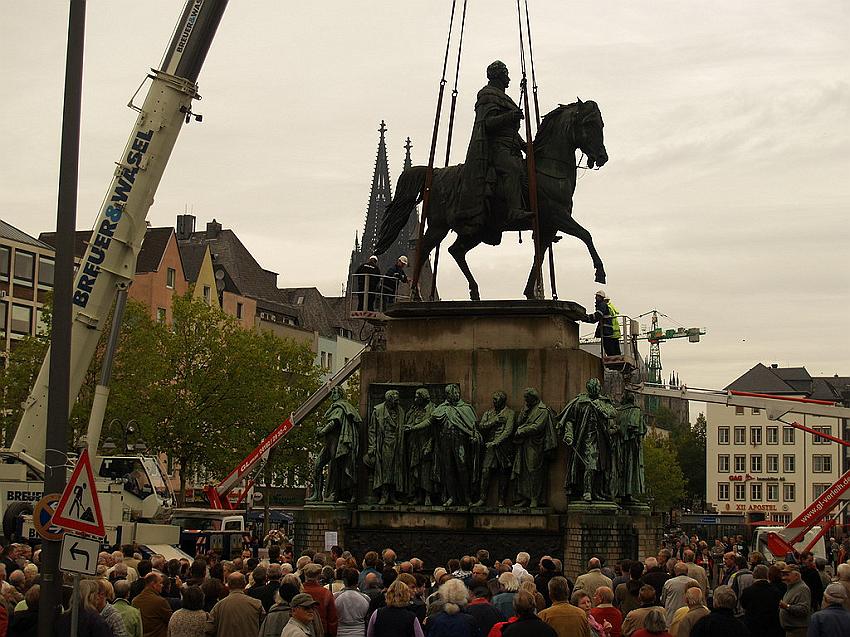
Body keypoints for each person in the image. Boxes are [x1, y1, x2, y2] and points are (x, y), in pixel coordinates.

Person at [456, 60, 532, 245]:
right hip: (496, 149)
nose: (509, 79)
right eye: (506, 74)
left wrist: (525, 146)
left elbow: (511, 132)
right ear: (498, 75)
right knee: (512, 168)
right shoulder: (487, 95)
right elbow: (487, 123)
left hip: (511, 146)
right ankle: (514, 210)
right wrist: (510, 116)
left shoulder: (504, 98)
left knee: (530, 172)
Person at [559, 378, 617, 502]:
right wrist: (569, 435)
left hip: (602, 439)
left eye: (597, 387)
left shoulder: (603, 402)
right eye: (595, 388)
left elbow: (613, 413)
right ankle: (587, 491)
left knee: (601, 466)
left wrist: (600, 407)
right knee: (590, 465)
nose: (597, 389)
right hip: (586, 439)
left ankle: (597, 491)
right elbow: (570, 420)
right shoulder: (580, 402)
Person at [430, 384, 480, 507]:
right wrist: (414, 427)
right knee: (448, 468)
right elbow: (430, 421)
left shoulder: (466, 408)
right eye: (446, 394)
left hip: (460, 441)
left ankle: (467, 497)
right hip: (445, 441)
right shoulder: (443, 408)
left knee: (462, 467)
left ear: (456, 393)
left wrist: (474, 437)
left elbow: (474, 428)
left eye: (449, 393)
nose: (447, 396)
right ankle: (452, 496)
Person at [309, 387, 361, 503]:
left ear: (340, 394)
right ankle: (317, 494)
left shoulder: (341, 406)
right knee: (317, 465)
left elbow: (334, 422)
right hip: (329, 443)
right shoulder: (334, 407)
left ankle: (334, 494)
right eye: (332, 393)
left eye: (335, 393)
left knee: (335, 469)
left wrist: (322, 431)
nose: (332, 395)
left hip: (337, 443)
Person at [511, 388, 558, 508]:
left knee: (534, 472)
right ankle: (525, 497)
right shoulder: (527, 408)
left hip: (535, 445)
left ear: (533, 398)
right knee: (523, 472)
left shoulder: (543, 410)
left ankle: (535, 498)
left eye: (527, 398)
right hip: (524, 445)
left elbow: (537, 427)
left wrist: (522, 430)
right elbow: (519, 422)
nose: (525, 400)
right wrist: (524, 412)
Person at [472, 391, 516, 507]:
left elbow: (508, 430)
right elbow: (481, 426)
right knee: (485, 471)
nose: (494, 402)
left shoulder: (510, 413)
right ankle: (482, 498)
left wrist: (496, 442)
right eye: (493, 399)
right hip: (490, 447)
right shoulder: (488, 413)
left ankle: (501, 499)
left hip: (503, 447)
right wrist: (494, 421)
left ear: (503, 400)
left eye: (496, 399)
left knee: (503, 472)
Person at [365, 389, 406, 505]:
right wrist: (371, 447)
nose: (397, 402)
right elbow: (372, 430)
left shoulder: (401, 411)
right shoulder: (378, 411)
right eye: (395, 400)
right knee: (385, 470)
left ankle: (393, 495)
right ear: (389, 399)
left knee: (396, 470)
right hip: (384, 444)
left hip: (398, 444)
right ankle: (384, 494)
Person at [404, 388, 438, 506]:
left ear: (423, 398)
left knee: (426, 471)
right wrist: (410, 415)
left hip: (426, 443)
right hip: (414, 444)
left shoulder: (432, 409)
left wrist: (430, 444)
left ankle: (428, 496)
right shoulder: (414, 409)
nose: (415, 399)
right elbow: (407, 422)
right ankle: (418, 496)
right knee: (415, 471)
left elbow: (433, 427)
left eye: (417, 397)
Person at [206, 572, 265, 637]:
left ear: (228, 585)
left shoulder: (219, 606)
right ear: (244, 584)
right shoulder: (256, 604)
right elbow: (264, 627)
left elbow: (209, 629)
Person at [738, 564, 781, 637]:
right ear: (767, 575)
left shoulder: (748, 591)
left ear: (754, 575)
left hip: (752, 626)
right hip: (770, 626)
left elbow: (743, 605)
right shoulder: (775, 591)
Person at [302, 563, 338, 637]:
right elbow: (332, 617)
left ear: (305, 575)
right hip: (322, 630)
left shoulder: (300, 591)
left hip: (302, 629)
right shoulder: (325, 593)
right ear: (318, 576)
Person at [132, 573, 172, 637]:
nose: (162, 585)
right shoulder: (160, 601)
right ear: (153, 584)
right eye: (160, 583)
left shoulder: (135, 601)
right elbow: (171, 621)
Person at [584, 290, 621, 356]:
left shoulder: (602, 305)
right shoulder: (608, 306)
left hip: (607, 332)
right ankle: (617, 365)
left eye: (597, 296)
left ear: (601, 297)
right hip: (611, 332)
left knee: (609, 351)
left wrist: (586, 318)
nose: (595, 298)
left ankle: (615, 364)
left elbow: (598, 315)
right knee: (615, 352)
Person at [778, 563, 811, 637]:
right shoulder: (791, 587)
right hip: (791, 630)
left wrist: (787, 606)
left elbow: (804, 610)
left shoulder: (802, 589)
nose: (784, 578)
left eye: (787, 575)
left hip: (798, 631)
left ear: (796, 576)